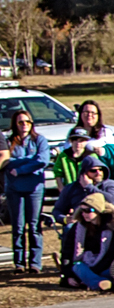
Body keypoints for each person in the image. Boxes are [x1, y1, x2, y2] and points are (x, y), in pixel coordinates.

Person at [6, 109, 51, 272]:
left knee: (34, 225)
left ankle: (35, 263)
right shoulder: (9, 141)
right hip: (14, 189)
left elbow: (42, 160)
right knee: (18, 227)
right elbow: (6, 162)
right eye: (20, 122)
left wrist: (20, 168)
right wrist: (27, 163)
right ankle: (19, 263)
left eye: (27, 122)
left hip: (34, 188)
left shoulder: (39, 140)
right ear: (15, 125)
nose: (24, 125)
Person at [63, 194, 114, 292]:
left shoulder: (112, 228)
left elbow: (111, 254)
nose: (84, 214)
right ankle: (102, 283)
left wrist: (93, 270)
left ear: (98, 210)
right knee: (78, 267)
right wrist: (68, 276)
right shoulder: (78, 227)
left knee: (112, 270)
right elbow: (67, 252)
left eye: (89, 210)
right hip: (85, 264)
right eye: (82, 210)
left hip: (104, 265)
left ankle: (95, 281)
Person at [56, 155, 114, 222]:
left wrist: (89, 187)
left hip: (105, 223)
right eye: (93, 170)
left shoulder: (111, 184)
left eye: (101, 169)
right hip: (79, 222)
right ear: (84, 173)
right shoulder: (71, 188)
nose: (98, 173)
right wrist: (64, 219)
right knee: (69, 228)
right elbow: (57, 210)